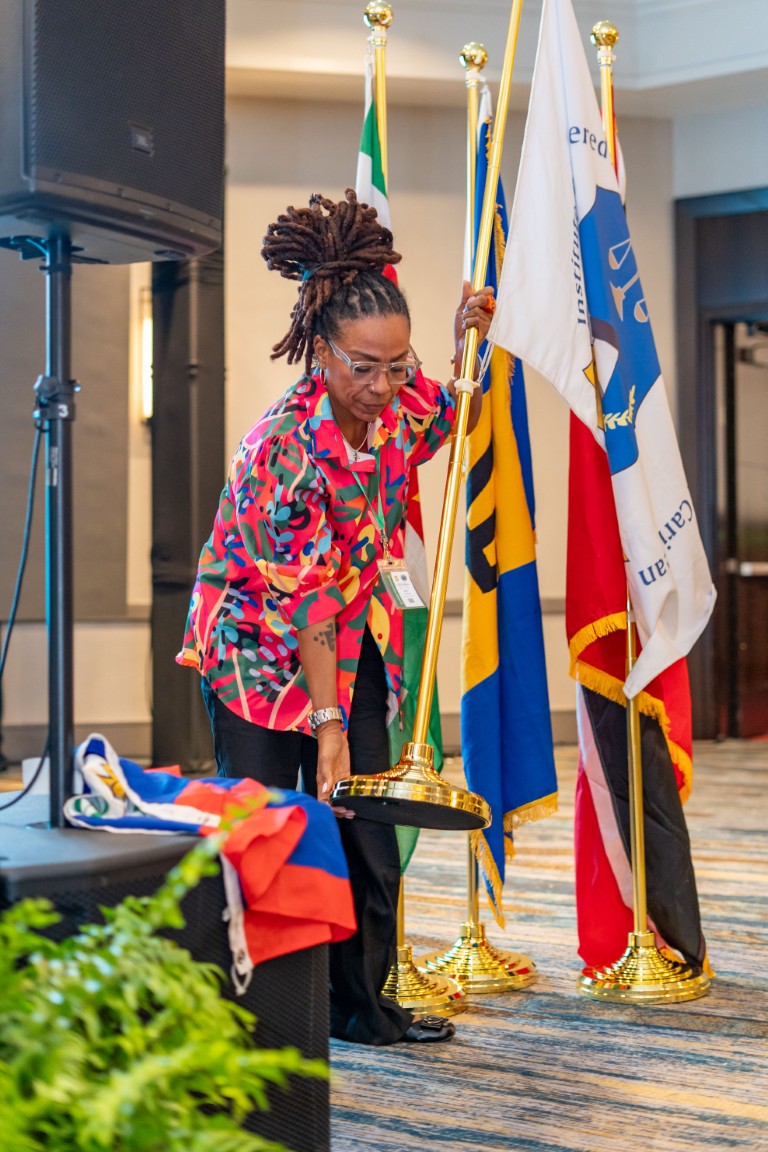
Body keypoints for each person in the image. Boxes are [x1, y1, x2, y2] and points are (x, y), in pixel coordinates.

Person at [178, 189, 494, 1045]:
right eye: (364, 366)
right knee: (268, 830)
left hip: (347, 642)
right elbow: (308, 598)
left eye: (397, 364)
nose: (383, 386)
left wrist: (469, 342)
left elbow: (453, 412)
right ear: (321, 351)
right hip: (255, 652)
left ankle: (363, 1008)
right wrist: (327, 728)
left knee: (367, 831)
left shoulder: (394, 403)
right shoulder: (282, 449)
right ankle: (257, 1016)